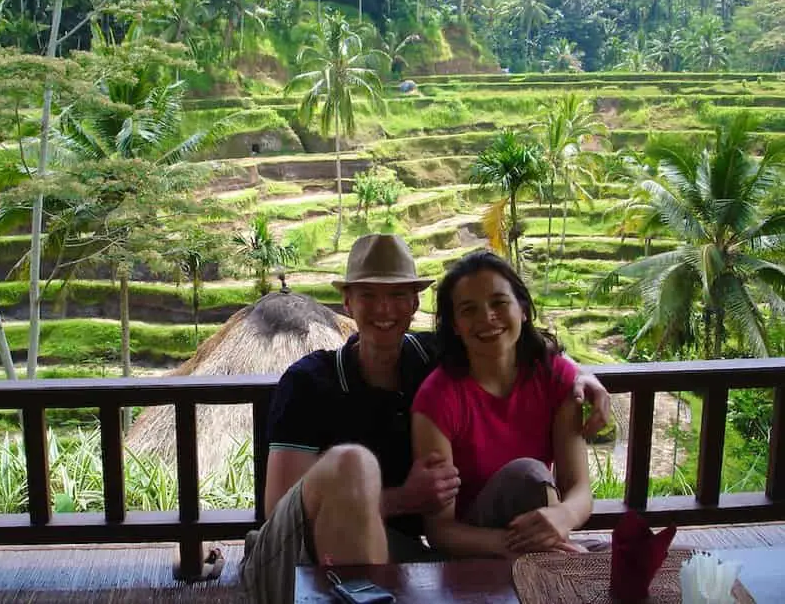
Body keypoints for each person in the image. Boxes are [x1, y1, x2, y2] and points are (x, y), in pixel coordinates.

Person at [239, 234, 610, 603]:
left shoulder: (435, 360)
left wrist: (579, 375)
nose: (384, 309)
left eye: (398, 295)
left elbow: (510, 340)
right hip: (295, 562)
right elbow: (279, 509)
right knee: (353, 464)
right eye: (368, 295)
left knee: (526, 477)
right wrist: (403, 498)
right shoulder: (308, 382)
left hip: (397, 553)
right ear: (348, 302)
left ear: (415, 303)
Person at [411, 250, 592, 559]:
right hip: (474, 549)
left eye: (499, 303)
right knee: (528, 474)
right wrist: (523, 547)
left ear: (522, 309)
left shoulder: (555, 377)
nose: (486, 318)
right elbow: (441, 531)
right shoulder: (438, 398)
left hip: (544, 533)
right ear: (455, 325)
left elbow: (579, 489)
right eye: (469, 310)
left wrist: (563, 517)